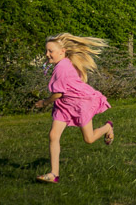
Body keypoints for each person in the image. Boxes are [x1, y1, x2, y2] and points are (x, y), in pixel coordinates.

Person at [33, 33, 115, 183]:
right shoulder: (62, 63)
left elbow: (57, 93)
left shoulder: (62, 67)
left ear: (62, 51)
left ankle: (107, 128)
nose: (47, 54)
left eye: (50, 51)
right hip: (64, 105)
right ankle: (53, 174)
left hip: (80, 103)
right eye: (46, 51)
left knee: (89, 139)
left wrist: (44, 102)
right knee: (53, 136)